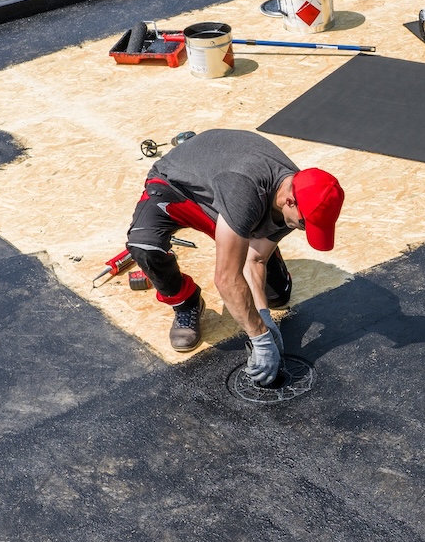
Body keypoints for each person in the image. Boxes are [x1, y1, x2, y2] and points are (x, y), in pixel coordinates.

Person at [125, 128, 344, 385]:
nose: (303, 229)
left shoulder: (299, 193)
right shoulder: (247, 188)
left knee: (278, 296)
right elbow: (226, 279)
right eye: (305, 224)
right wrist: (259, 338)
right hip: (177, 188)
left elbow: (256, 259)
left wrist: (263, 315)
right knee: (144, 246)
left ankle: (248, 239)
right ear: (289, 201)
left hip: (227, 198)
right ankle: (185, 301)